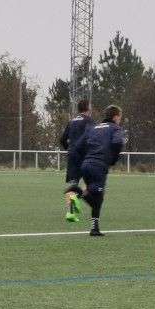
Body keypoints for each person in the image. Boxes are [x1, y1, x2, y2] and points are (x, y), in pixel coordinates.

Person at [80, 105, 125, 236]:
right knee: (97, 198)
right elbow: (117, 142)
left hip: (86, 164)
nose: (120, 120)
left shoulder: (94, 128)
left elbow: (82, 144)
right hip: (98, 166)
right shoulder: (115, 128)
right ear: (115, 117)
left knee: (97, 196)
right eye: (120, 118)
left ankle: (95, 228)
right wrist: (113, 159)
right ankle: (78, 192)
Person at [59, 100, 95, 222]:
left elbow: (63, 139)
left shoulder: (71, 122)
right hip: (85, 155)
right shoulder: (89, 121)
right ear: (88, 109)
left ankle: (70, 213)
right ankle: (78, 197)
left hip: (72, 155)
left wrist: (70, 150)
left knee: (73, 184)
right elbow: (94, 137)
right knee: (92, 183)